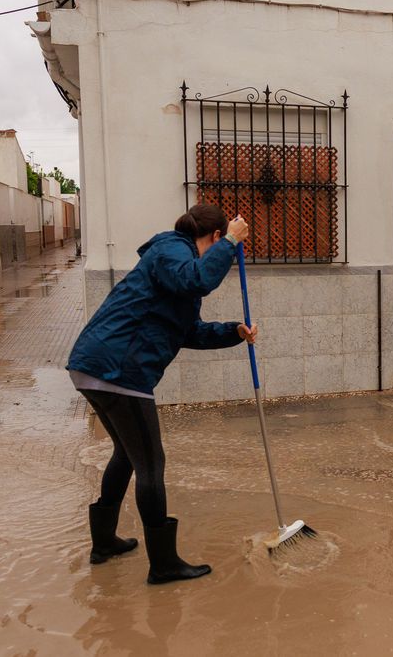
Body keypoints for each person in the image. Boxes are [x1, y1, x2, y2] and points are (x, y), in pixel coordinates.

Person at [66, 204, 258, 584]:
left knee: (127, 454)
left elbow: (189, 332)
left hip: (97, 367)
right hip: (118, 370)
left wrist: (233, 331)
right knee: (151, 465)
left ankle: (104, 543)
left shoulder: (176, 265)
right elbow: (198, 280)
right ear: (215, 237)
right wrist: (234, 241)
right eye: (224, 243)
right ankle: (164, 564)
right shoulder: (172, 250)